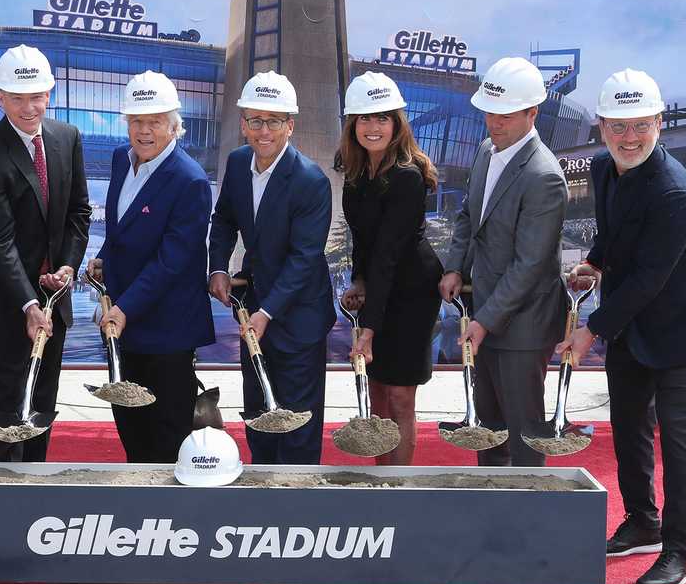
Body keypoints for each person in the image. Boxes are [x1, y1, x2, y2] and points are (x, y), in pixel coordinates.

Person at [558, 68, 686, 584]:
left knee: (679, 442)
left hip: (679, 329)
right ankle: (642, 523)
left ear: (659, 123)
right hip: (631, 326)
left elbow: (652, 279)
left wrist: (590, 329)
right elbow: (614, 232)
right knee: (628, 426)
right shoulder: (606, 169)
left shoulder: (677, 193)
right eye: (618, 127)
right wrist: (593, 263)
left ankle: (680, 552)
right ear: (603, 127)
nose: (629, 138)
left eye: (640, 126)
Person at [0, 44, 91, 462]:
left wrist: (68, 267)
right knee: (4, 416)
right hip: (4, 305)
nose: (28, 106)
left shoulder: (66, 138)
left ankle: (35, 497)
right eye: (17, 97)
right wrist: (28, 303)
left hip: (54, 300)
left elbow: (78, 212)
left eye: (36, 95)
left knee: (41, 408)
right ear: (0, 97)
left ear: (49, 94)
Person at [440, 57, 569, 467]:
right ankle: (491, 518)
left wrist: (484, 320)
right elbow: (468, 215)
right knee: (488, 432)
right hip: (488, 315)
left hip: (523, 326)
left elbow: (530, 265)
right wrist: (455, 265)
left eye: (506, 116)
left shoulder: (543, 176)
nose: (494, 123)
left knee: (524, 436)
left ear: (533, 112)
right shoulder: (484, 151)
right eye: (489, 113)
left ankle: (527, 524)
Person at [86, 70, 215, 462]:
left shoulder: (190, 181)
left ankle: (171, 519)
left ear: (174, 126)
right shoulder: (121, 161)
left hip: (166, 332)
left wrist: (123, 309)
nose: (145, 131)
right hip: (125, 324)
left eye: (155, 122)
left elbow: (171, 262)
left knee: (166, 437)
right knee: (131, 427)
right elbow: (123, 226)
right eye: (137, 121)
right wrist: (104, 255)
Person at [209, 71, 335, 465]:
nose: (264, 130)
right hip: (255, 308)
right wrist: (217, 267)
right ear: (243, 123)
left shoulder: (311, 181)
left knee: (297, 422)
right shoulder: (239, 161)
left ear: (290, 125)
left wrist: (266, 312)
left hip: (298, 318)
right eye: (255, 120)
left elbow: (304, 259)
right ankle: (262, 493)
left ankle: (297, 508)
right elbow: (225, 218)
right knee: (260, 411)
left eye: (274, 121)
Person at [336, 72, 444, 465]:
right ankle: (383, 484)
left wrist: (369, 329)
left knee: (399, 393)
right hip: (380, 286)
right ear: (353, 125)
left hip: (411, 291)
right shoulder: (354, 172)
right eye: (364, 118)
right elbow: (365, 243)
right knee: (377, 389)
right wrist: (358, 281)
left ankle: (400, 489)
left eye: (382, 118)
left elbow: (389, 254)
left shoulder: (406, 177)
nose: (373, 126)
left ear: (397, 123)